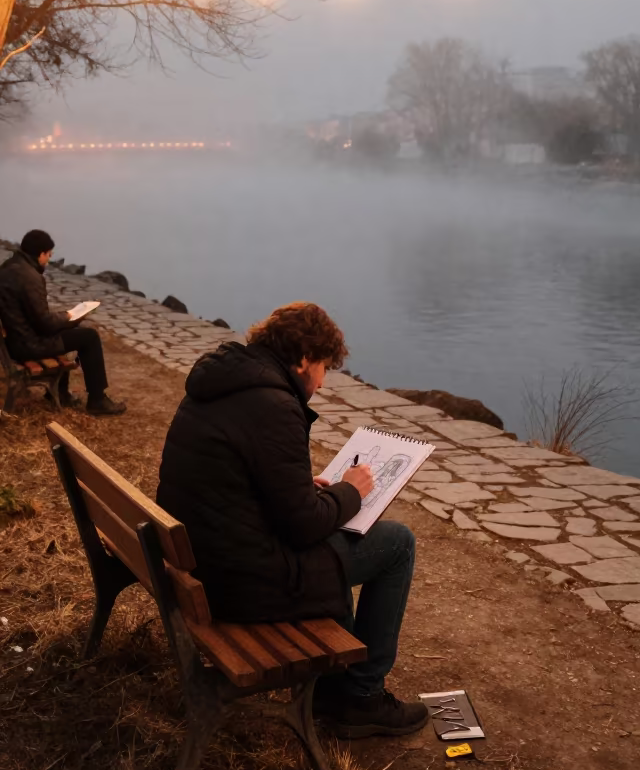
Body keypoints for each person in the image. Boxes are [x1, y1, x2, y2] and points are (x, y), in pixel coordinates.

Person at [157, 301, 428, 739]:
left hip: (204, 562)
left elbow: (235, 476)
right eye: (324, 367)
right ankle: (361, 698)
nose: (321, 383)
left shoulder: (222, 383)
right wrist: (351, 491)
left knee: (339, 543)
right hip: (240, 584)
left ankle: (330, 690)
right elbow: (303, 526)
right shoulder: (274, 404)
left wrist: (302, 486)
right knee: (395, 543)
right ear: (304, 358)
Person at [0, 229, 126, 416]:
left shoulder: (8, 268)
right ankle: (97, 400)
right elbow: (45, 324)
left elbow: (35, 317)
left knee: (75, 331)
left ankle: (60, 392)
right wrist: (69, 316)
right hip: (27, 345)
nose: (49, 260)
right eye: (49, 255)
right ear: (41, 253)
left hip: (14, 340)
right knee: (89, 337)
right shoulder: (30, 278)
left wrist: (67, 321)